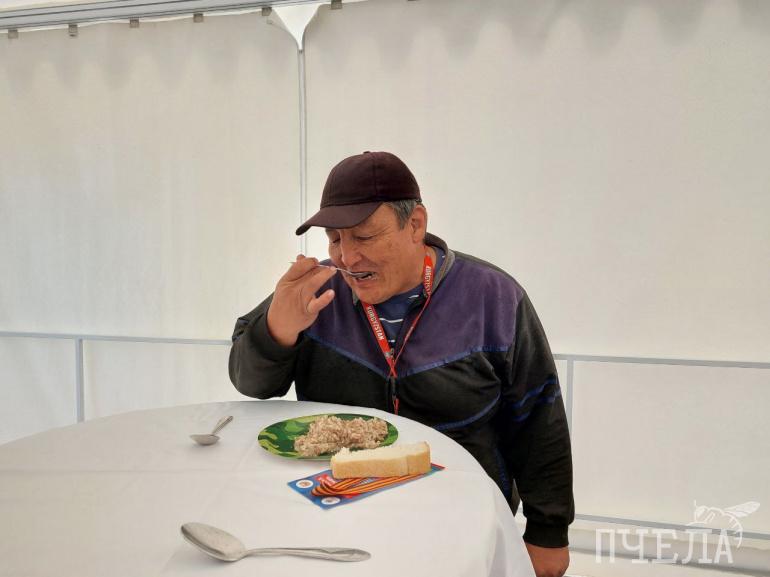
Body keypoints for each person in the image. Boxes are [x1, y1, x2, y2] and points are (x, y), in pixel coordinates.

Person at [229, 151, 574, 577]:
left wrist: (548, 532)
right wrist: (276, 331)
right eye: (334, 239)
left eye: (364, 237)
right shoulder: (315, 291)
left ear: (415, 225)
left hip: (462, 521)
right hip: (341, 519)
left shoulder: (494, 297)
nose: (347, 258)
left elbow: (539, 415)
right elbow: (250, 383)